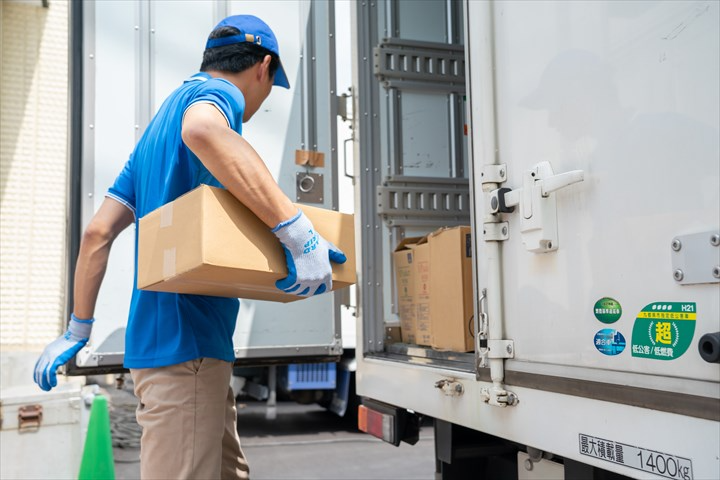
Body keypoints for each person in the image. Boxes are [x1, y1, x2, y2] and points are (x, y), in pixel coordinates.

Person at [32, 15, 345, 480]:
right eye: (269, 86)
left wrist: (78, 330)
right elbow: (203, 131)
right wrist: (298, 232)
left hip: (182, 351)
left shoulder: (154, 132)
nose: (260, 102)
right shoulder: (217, 98)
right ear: (263, 67)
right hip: (186, 351)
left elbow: (97, 234)